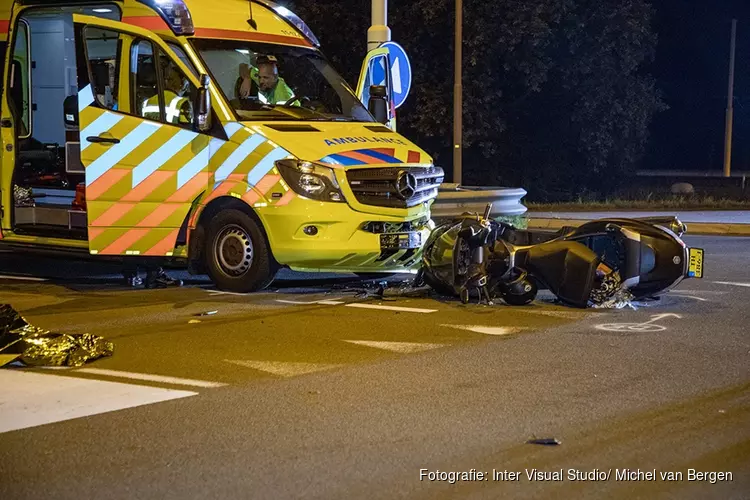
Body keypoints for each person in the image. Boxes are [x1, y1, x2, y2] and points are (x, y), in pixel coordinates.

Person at [142, 59, 192, 125]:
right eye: (186, 84)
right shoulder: (183, 104)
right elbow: (188, 129)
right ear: (182, 84)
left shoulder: (146, 102)